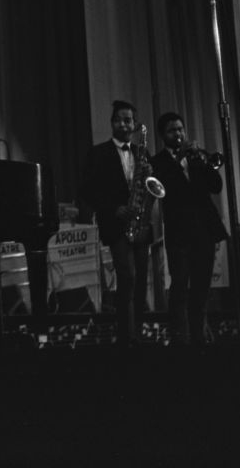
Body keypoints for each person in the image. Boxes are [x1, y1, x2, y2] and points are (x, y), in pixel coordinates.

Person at [150, 112, 227, 346]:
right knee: (180, 286)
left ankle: (199, 336)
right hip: (179, 233)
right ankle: (180, 338)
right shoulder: (158, 162)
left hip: (204, 230)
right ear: (163, 135)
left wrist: (201, 163)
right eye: (173, 130)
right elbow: (162, 190)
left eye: (181, 129)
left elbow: (216, 186)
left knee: (202, 286)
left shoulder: (198, 157)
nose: (179, 134)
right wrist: (177, 161)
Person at [78, 100, 151, 346]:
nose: (124, 123)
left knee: (141, 279)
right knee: (127, 277)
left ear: (134, 124)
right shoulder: (98, 153)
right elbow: (87, 190)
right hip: (116, 224)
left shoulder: (142, 153)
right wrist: (113, 208)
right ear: (112, 123)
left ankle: (138, 332)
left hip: (140, 223)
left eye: (128, 119)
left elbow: (149, 187)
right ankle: (126, 336)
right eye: (119, 119)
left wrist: (149, 175)